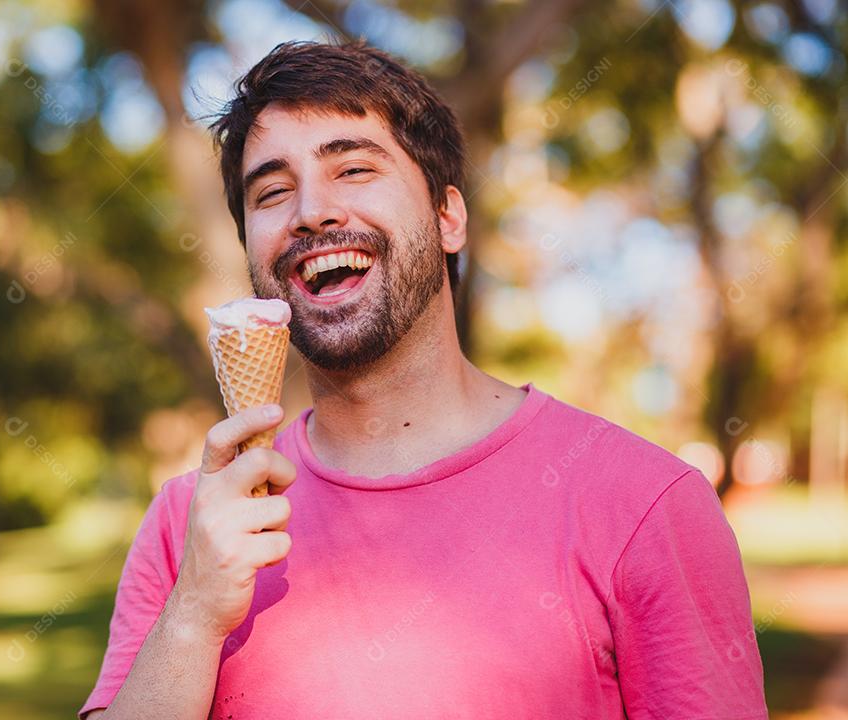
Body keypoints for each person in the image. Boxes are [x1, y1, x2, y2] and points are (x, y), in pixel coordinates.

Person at [80, 40, 768, 719]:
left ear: (449, 217)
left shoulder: (647, 507)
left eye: (352, 169)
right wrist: (195, 614)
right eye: (273, 190)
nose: (311, 212)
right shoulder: (189, 525)